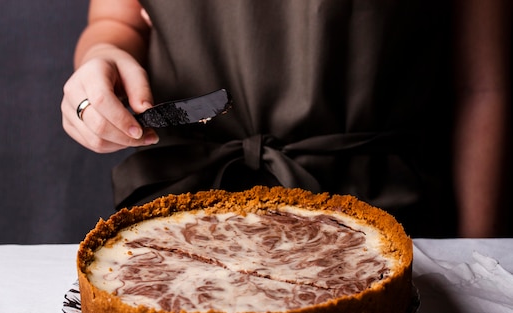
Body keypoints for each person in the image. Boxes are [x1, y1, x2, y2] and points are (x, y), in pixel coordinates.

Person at [61, 0, 510, 238]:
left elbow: (481, 89)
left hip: (382, 216)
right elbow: (116, 21)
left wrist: (479, 251)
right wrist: (100, 62)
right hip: (182, 216)